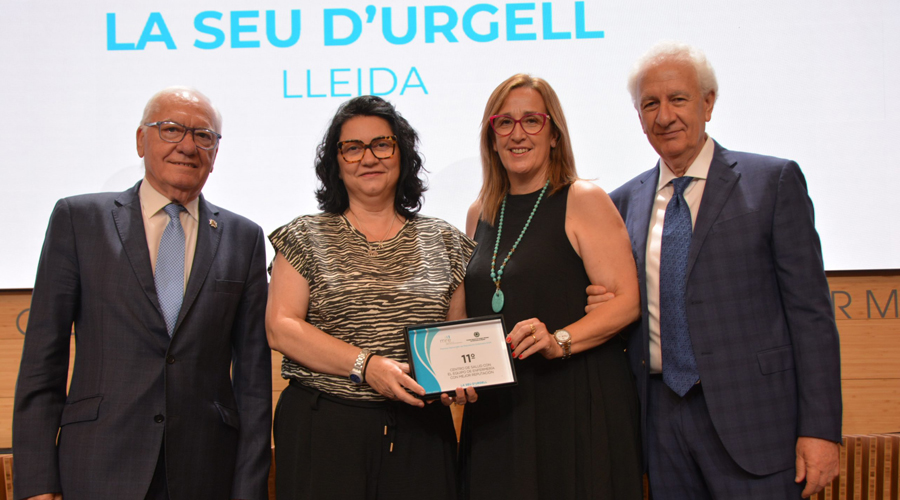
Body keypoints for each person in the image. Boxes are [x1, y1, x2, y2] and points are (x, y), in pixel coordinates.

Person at [591, 41, 842, 499]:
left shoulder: (772, 183)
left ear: (708, 103)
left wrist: (821, 430)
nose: (664, 116)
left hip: (756, 422)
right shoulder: (622, 203)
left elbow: (811, 316)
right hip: (661, 424)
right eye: (650, 104)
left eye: (678, 99)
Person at [13, 87, 272, 500]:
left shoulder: (244, 238)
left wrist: (249, 490)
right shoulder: (79, 221)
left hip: (205, 471)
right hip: (97, 465)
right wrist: (37, 485)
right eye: (170, 129)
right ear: (141, 139)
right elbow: (42, 364)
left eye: (203, 135)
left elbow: (254, 385)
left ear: (216, 151)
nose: (187, 146)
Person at [265, 95, 475, 499]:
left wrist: (462, 378)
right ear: (336, 164)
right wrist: (367, 365)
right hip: (323, 427)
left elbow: (456, 334)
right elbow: (281, 328)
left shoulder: (445, 241)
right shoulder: (303, 236)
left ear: (402, 154)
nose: (369, 158)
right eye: (353, 148)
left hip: (421, 431)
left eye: (382, 144)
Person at [458, 74, 643, 499]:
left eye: (531, 121)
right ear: (491, 136)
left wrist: (560, 339)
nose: (517, 133)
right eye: (503, 122)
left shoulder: (583, 198)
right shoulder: (479, 212)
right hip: (500, 409)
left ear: (554, 134)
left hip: (575, 401)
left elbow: (627, 302)